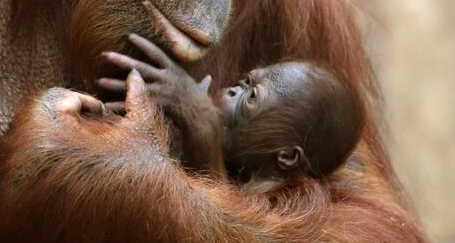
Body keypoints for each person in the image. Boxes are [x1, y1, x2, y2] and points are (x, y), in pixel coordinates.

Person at [98, 34, 365, 188]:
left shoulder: (274, 202)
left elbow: (212, 238)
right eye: (244, 82)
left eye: (250, 97)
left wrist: (200, 122)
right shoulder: (242, 163)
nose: (229, 91)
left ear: (286, 157)